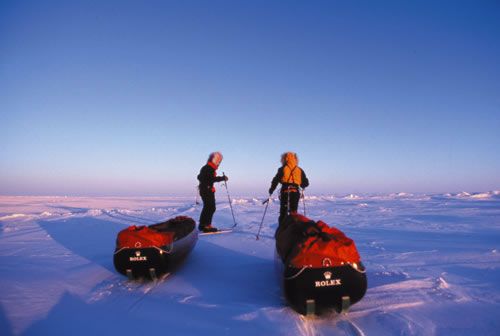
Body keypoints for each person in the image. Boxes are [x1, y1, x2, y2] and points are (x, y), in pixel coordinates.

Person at [268, 152, 309, 226]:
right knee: (294, 213)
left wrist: (271, 190)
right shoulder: (299, 170)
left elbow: (275, 180)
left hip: (285, 191)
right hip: (295, 192)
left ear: (284, 159)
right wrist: (301, 185)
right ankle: (293, 231)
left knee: (283, 212)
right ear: (295, 159)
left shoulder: (282, 169)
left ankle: (281, 231)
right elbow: (306, 183)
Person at [197, 152, 228, 232]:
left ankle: (202, 225)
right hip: (207, 190)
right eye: (218, 161)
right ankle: (207, 226)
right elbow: (210, 179)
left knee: (207, 207)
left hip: (205, 190)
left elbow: (200, 177)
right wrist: (222, 178)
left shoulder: (206, 167)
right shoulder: (209, 168)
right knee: (210, 207)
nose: (218, 163)